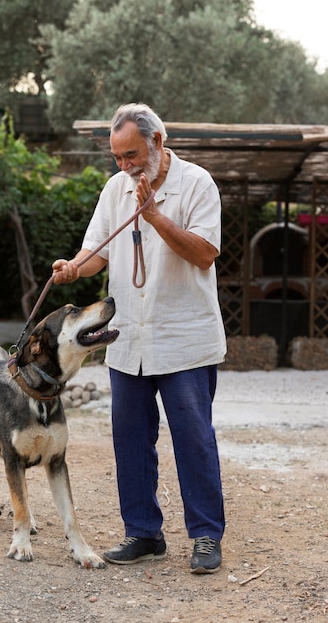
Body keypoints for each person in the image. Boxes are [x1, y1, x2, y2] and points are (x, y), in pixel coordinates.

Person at [52, 103, 227, 574]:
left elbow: (205, 254)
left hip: (185, 339)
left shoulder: (197, 184)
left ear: (157, 142)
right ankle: (144, 533)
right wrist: (73, 268)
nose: (125, 166)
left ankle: (207, 536)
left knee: (194, 440)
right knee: (129, 440)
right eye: (117, 157)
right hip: (127, 337)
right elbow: (96, 253)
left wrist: (154, 217)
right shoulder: (115, 190)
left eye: (131, 155)